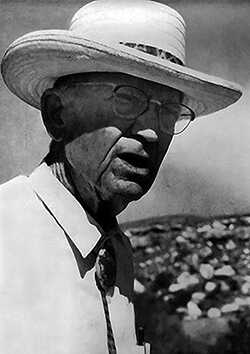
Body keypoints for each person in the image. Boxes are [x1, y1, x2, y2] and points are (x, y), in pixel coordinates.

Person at [0, 0, 242, 353]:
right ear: (56, 114)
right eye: (127, 101)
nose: (151, 134)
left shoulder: (117, 254)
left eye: (169, 112)